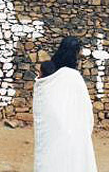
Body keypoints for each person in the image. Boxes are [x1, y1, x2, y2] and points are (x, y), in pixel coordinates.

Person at [33, 37, 97, 172]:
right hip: (71, 128)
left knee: (52, 157)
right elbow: (85, 108)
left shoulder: (51, 69)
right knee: (72, 160)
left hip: (55, 127)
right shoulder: (73, 76)